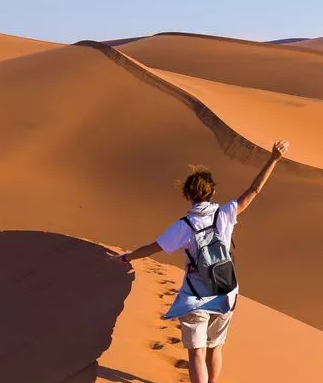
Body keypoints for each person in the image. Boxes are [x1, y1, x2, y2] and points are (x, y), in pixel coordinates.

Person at [113, 140, 289, 383]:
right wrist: (273, 159)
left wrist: (126, 257)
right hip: (226, 291)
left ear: (188, 195)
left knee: (197, 353)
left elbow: (153, 248)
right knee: (215, 347)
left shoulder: (184, 226)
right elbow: (252, 191)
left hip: (195, 294)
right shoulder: (225, 213)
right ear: (212, 192)